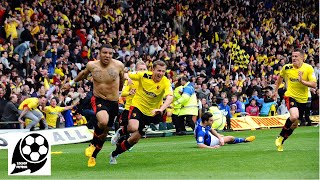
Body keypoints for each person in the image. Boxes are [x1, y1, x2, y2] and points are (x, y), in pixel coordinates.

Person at [62, 44, 125, 167]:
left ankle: (93, 156)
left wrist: (120, 92)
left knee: (104, 133)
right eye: (105, 53)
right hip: (98, 98)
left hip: (113, 102)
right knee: (103, 121)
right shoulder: (92, 65)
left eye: (110, 53)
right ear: (99, 53)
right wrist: (71, 83)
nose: (107, 55)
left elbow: (122, 78)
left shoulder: (118, 65)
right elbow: (83, 74)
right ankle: (92, 144)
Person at [110, 60, 173, 164]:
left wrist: (161, 109)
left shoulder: (165, 81)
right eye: (158, 71)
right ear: (152, 70)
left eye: (163, 71)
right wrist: (127, 77)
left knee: (134, 140)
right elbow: (125, 73)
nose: (160, 73)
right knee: (133, 127)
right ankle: (120, 132)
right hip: (137, 106)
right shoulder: (143, 75)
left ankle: (114, 154)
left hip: (151, 112)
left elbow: (170, 97)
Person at [274, 49, 317, 152]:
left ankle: (282, 141)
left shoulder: (308, 68)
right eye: (292, 56)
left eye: (296, 56)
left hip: (303, 99)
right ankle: (280, 136)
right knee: (294, 116)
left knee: (295, 124)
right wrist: (276, 90)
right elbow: (280, 77)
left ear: (302, 58)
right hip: (290, 95)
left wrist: (302, 81)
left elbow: (314, 84)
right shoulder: (287, 68)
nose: (293, 58)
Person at [111, 61, 148, 145]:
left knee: (136, 130)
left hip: (140, 109)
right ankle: (119, 136)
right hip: (129, 108)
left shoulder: (148, 81)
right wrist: (129, 93)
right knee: (124, 128)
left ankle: (125, 142)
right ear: (136, 70)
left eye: (144, 69)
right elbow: (123, 93)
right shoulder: (131, 79)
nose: (143, 71)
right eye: (140, 69)